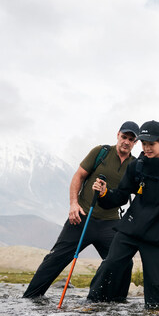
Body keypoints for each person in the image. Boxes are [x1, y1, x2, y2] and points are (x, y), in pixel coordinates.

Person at [22, 121, 140, 298]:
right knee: (55, 259)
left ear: (135, 142)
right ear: (118, 135)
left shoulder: (135, 164)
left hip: (111, 223)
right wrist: (73, 204)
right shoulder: (100, 152)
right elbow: (78, 176)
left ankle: (117, 303)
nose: (126, 142)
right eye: (124, 137)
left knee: (123, 262)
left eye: (131, 139)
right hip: (83, 216)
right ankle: (30, 297)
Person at [87, 120, 159, 309]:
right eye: (143, 143)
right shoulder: (136, 166)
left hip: (158, 234)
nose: (146, 148)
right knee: (109, 267)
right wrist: (105, 193)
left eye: (151, 144)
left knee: (154, 286)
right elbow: (121, 196)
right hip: (131, 228)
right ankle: (92, 305)